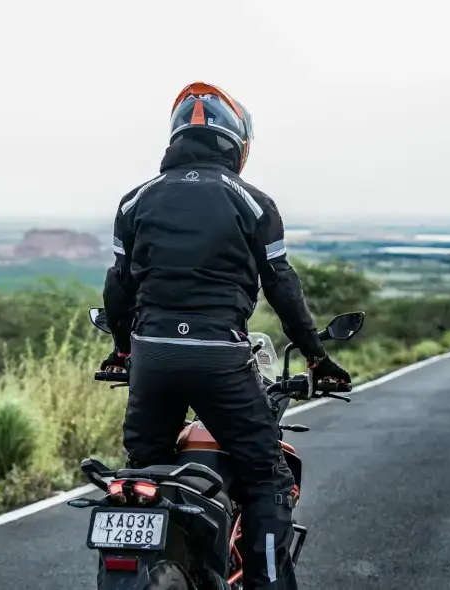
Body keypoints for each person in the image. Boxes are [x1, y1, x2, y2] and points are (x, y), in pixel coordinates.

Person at [100, 81, 351, 590]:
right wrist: (317, 359)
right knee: (266, 477)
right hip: (220, 361)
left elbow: (118, 286)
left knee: (143, 474)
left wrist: (123, 348)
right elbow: (283, 287)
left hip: (152, 358)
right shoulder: (253, 203)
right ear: (237, 142)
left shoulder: (134, 201)